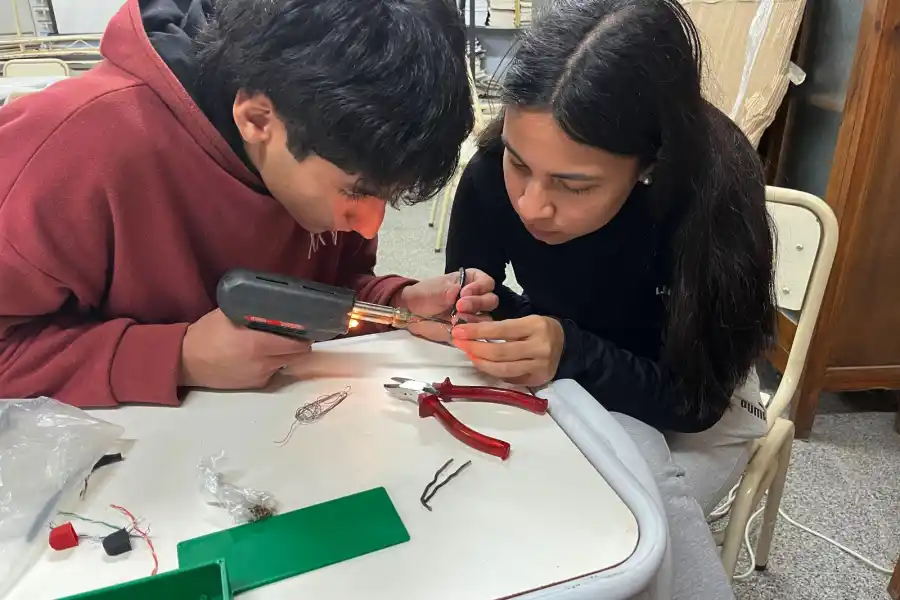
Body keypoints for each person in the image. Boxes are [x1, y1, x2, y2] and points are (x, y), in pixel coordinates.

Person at [0, 0, 498, 407]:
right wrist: (176, 358)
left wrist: (395, 304)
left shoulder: (330, 139)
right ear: (258, 120)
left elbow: (325, 287)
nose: (368, 227)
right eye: (355, 192)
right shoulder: (70, 152)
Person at [445, 0, 776, 598]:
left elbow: (697, 400)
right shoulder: (493, 173)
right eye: (519, 163)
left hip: (697, 397)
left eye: (574, 186)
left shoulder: (713, 201)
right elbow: (476, 297)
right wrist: (469, 310)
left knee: (617, 527)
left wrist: (570, 351)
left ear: (649, 164)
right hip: (570, 368)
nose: (531, 206)